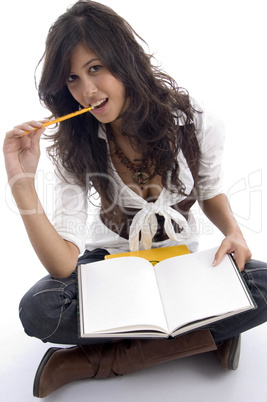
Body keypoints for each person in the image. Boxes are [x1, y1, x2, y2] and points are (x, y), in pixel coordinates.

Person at [3, 0, 267, 398]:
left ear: (125, 61)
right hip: (111, 264)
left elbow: (209, 189)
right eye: (73, 79)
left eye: (96, 68)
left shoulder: (195, 124)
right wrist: (21, 181)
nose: (87, 91)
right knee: (40, 308)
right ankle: (209, 335)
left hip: (180, 261)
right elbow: (62, 264)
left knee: (264, 282)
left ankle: (94, 361)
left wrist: (235, 233)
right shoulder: (74, 146)